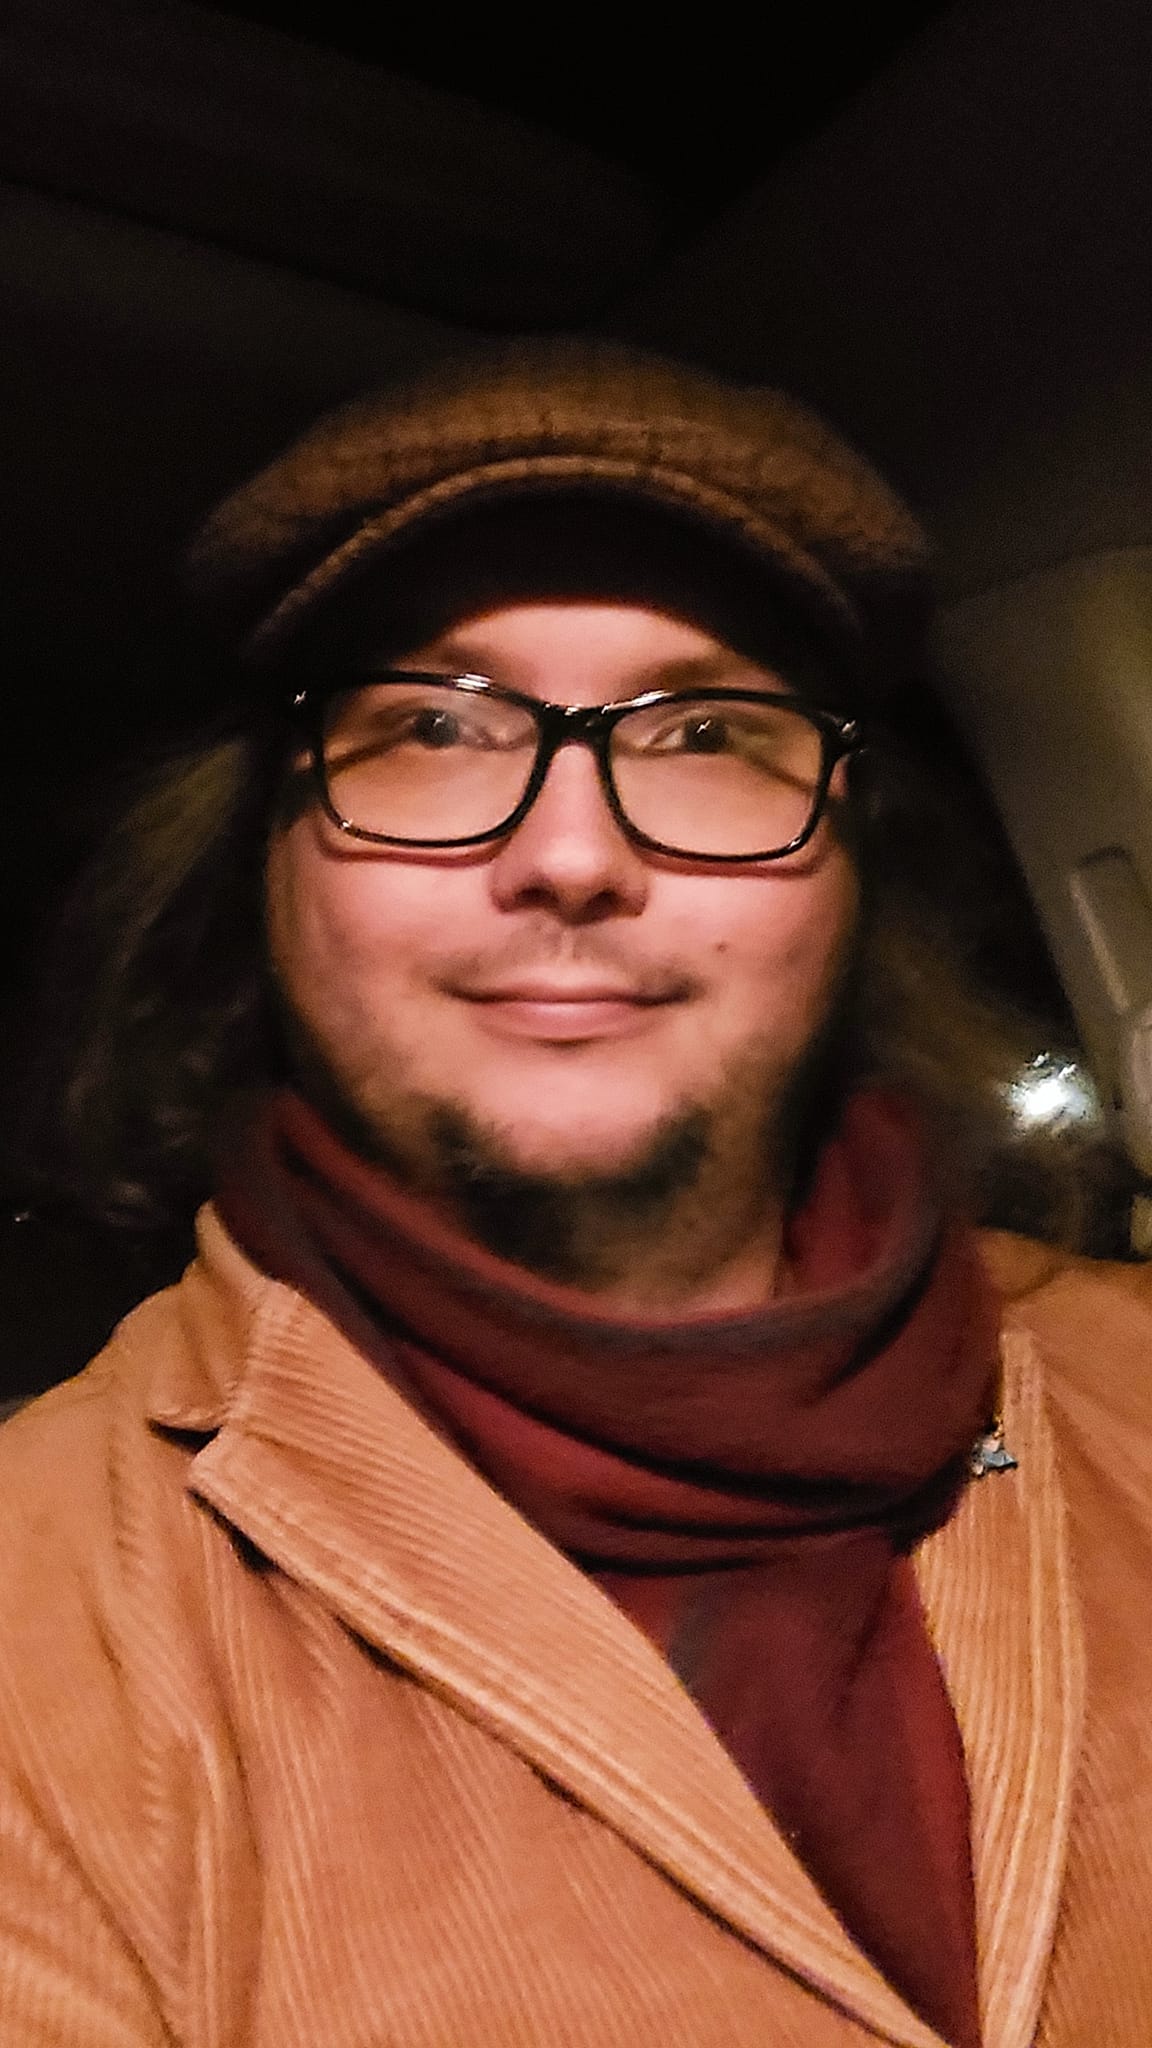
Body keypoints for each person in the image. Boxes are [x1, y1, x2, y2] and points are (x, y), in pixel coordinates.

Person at [0, 339, 1149, 2048]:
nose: (570, 855)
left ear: (845, 861)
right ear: (266, 855)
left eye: (701, 733)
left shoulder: (1129, 1370)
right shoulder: (42, 1621)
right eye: (434, 729)